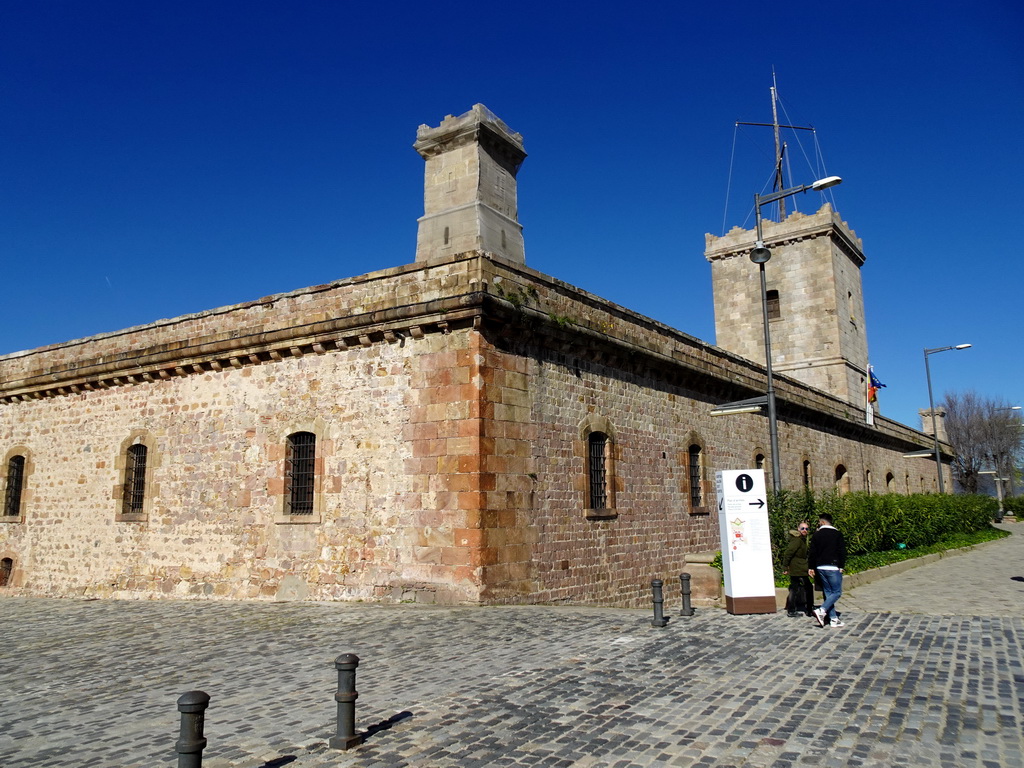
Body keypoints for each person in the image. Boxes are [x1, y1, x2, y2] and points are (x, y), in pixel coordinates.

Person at [807, 513, 846, 628]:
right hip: (833, 566)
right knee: (837, 592)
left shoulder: (817, 535)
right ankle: (822, 610)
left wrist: (811, 567)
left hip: (820, 567)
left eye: (819, 522)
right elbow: (842, 551)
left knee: (828, 593)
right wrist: (841, 565)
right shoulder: (837, 534)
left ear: (823, 522)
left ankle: (833, 619)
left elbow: (812, 552)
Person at [782, 521, 814, 617]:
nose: (804, 530)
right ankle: (808, 609)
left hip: (799, 566)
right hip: (798, 568)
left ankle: (793, 609)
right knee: (806, 587)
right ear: (798, 529)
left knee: (795, 588)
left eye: (806, 529)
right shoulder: (797, 540)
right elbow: (788, 553)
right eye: (802, 528)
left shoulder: (802, 539)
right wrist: (785, 566)